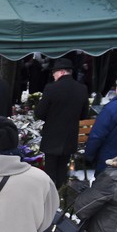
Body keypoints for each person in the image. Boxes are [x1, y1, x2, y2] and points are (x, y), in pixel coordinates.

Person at [34, 58, 89, 188]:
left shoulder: (51, 88)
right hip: (69, 136)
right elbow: (84, 115)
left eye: (54, 72)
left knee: (51, 170)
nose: (53, 75)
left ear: (62, 72)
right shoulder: (82, 89)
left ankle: (50, 198)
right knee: (62, 169)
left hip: (52, 136)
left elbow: (39, 113)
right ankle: (60, 195)